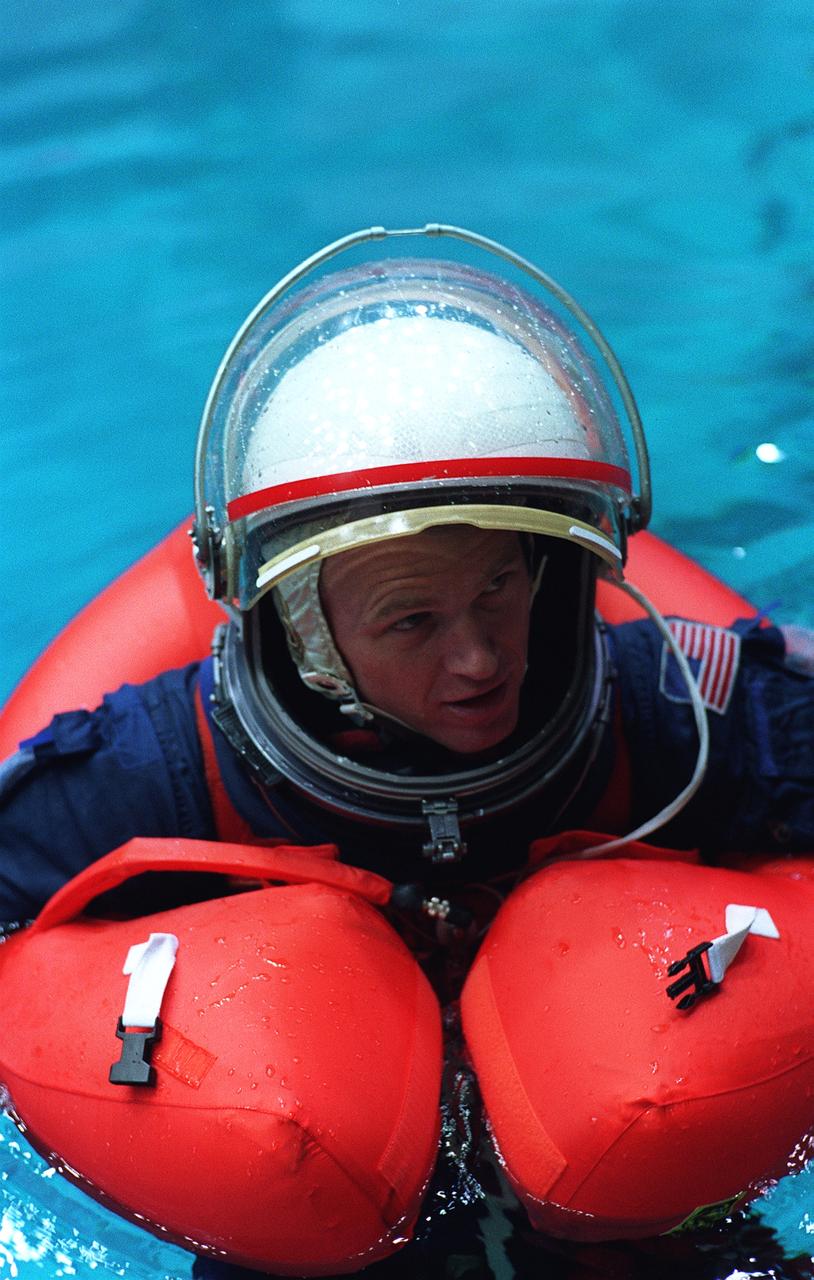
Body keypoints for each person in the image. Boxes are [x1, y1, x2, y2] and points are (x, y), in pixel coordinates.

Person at [1, 224, 813, 929]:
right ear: (307, 633)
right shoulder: (167, 774)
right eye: (411, 621)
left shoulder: (676, 716)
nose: (480, 660)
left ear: (547, 569)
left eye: (496, 588)